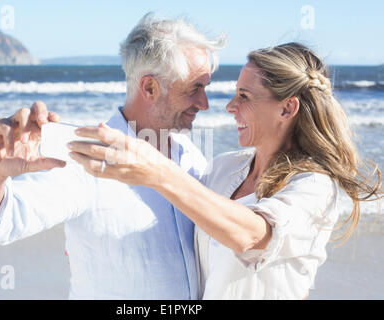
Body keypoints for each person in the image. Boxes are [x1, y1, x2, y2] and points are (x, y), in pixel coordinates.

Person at [70, 42, 383, 299]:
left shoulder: (314, 186)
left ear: (287, 109)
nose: (229, 107)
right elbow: (171, 217)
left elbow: (252, 235)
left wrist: (159, 171)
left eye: (244, 96)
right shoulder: (224, 167)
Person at [0, 13, 226, 299]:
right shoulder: (87, 158)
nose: (204, 103)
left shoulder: (192, 156)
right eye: (195, 88)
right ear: (150, 87)